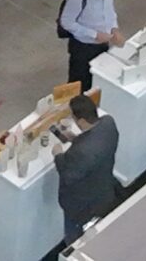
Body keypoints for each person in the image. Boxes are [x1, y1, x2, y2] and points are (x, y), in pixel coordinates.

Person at [55, 93, 121, 245]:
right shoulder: (108, 123)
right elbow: (94, 142)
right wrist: (76, 139)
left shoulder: (82, 152)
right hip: (104, 192)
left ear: (82, 120)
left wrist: (58, 155)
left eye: (73, 117)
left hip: (81, 205)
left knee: (74, 240)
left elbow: (68, 175)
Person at [57, 0, 125, 85]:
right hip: (83, 48)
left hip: (102, 44)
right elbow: (67, 22)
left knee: (97, 80)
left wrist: (114, 29)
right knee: (79, 83)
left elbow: (109, 11)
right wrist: (95, 35)